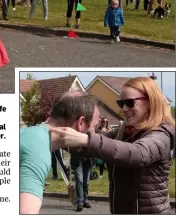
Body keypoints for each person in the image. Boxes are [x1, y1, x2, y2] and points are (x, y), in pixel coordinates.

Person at [51, 77, 175, 214]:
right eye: (121, 103)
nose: (124, 109)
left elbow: (138, 154)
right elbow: (91, 147)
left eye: (130, 103)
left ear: (150, 102)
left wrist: (86, 140)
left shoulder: (160, 134)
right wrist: (56, 134)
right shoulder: (124, 132)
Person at [20, 92, 100, 214]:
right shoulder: (38, 151)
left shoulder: (30, 134)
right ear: (81, 123)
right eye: (94, 127)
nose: (94, 135)